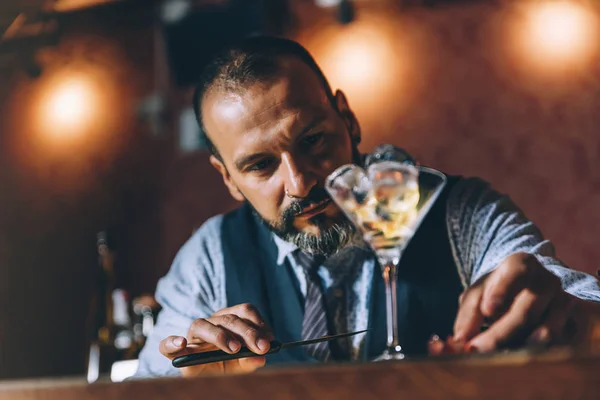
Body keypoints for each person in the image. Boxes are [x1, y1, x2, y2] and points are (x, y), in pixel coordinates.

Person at [134, 36, 600, 378]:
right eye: (259, 165)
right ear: (227, 179)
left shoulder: (460, 212)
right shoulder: (210, 257)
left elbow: (578, 303)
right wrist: (189, 386)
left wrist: (577, 319)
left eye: (313, 140)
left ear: (348, 119)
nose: (300, 183)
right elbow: (147, 381)